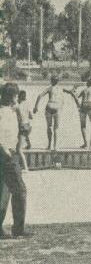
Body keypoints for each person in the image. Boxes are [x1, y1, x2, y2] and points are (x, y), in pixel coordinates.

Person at [0, 83, 31, 239]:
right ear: (12, 96)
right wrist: (4, 149)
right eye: (16, 95)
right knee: (20, 191)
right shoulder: (4, 112)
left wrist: (19, 111)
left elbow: (25, 129)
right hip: (7, 155)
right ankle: (18, 228)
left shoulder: (13, 111)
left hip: (10, 153)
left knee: (4, 193)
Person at [33, 75, 65, 150]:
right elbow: (70, 92)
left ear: (52, 81)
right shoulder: (61, 89)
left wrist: (36, 107)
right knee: (56, 128)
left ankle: (49, 145)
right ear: (58, 81)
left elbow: (39, 96)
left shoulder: (49, 88)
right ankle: (55, 146)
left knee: (49, 127)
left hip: (49, 107)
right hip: (57, 107)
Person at [73, 78, 91, 149]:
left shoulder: (84, 90)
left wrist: (78, 105)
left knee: (83, 126)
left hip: (83, 105)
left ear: (88, 84)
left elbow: (76, 97)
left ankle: (86, 144)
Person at [15, 90, 32, 171]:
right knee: (25, 135)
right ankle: (29, 144)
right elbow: (31, 116)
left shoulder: (17, 106)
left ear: (19, 97)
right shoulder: (27, 104)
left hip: (22, 127)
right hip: (28, 126)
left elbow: (18, 117)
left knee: (18, 149)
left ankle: (25, 168)